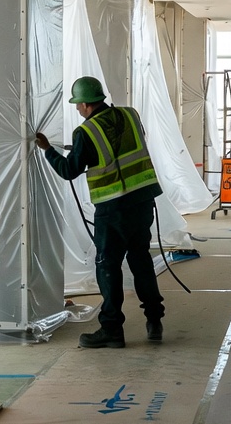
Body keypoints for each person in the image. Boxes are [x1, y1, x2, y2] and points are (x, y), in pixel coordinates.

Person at [35, 76, 165, 349]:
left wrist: (48, 150)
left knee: (108, 267)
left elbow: (70, 171)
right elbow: (120, 147)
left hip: (113, 207)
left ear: (84, 104)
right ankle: (154, 321)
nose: (77, 110)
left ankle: (112, 329)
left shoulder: (86, 132)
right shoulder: (130, 115)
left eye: (77, 105)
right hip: (142, 200)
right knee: (141, 260)